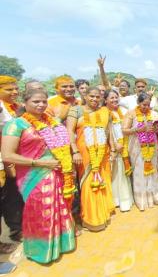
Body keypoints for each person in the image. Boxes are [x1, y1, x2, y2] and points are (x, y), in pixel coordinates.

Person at [1, 88, 75, 264]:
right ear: (25, 102)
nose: (41, 105)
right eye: (36, 101)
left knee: (59, 207)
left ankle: (60, 244)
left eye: (44, 101)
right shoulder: (16, 124)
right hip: (33, 176)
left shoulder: (52, 122)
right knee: (41, 212)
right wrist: (40, 163)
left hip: (57, 172)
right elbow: (8, 156)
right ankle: (41, 250)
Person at [67, 87, 115, 231]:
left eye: (97, 97)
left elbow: (108, 131)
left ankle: (103, 213)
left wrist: (112, 149)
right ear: (85, 96)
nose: (94, 99)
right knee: (88, 183)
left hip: (102, 153)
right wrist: (75, 151)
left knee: (103, 180)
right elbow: (69, 131)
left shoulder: (104, 111)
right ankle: (92, 218)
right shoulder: (76, 110)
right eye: (91, 96)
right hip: (84, 153)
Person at [122, 93, 158, 211]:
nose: (146, 107)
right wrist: (138, 129)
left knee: (153, 169)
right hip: (137, 146)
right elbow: (124, 130)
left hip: (152, 145)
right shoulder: (131, 113)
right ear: (138, 103)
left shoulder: (154, 114)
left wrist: (156, 129)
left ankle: (155, 196)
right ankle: (142, 200)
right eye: (143, 104)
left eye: (148, 104)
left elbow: (157, 129)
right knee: (140, 171)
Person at [0, 75, 23, 250]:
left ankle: (17, 229)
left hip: (16, 159)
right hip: (4, 160)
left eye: (16, 88)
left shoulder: (16, 108)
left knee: (14, 197)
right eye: (9, 89)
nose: (14, 92)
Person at [104, 89, 134, 212]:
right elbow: (106, 130)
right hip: (112, 148)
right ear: (105, 100)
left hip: (124, 146)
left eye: (116, 97)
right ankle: (115, 200)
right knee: (114, 174)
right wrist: (114, 145)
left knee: (123, 172)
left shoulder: (122, 111)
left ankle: (125, 200)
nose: (115, 100)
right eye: (111, 98)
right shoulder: (104, 112)